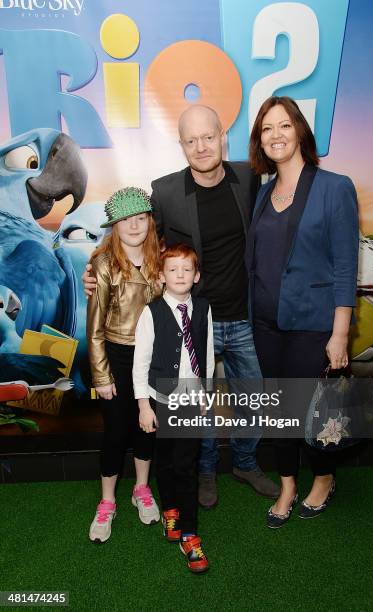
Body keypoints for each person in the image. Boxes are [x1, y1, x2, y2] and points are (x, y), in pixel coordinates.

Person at [83, 104, 280, 508]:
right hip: (195, 319)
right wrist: (98, 270)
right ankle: (205, 469)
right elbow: (134, 233)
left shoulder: (248, 177)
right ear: (181, 146)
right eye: (191, 140)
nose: (201, 146)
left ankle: (244, 461)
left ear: (222, 136)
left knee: (254, 395)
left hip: (240, 315)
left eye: (208, 137)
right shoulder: (167, 191)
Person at [245, 96, 359, 527]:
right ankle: (288, 484)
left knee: (315, 409)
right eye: (267, 128)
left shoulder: (335, 187)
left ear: (300, 132)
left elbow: (346, 264)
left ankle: (324, 478)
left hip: (313, 326)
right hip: (266, 324)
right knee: (278, 410)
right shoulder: (261, 194)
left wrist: (340, 334)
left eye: (284, 126)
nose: (276, 135)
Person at [87, 187, 162, 543]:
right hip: (116, 358)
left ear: (150, 221)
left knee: (147, 428)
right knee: (116, 432)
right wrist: (102, 376)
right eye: (126, 220)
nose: (134, 226)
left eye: (141, 218)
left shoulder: (159, 261)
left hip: (150, 361)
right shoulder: (103, 266)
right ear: (114, 226)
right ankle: (107, 502)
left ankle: (142, 490)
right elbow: (94, 329)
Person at [133, 244, 214, 573]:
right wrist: (143, 405)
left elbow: (207, 354)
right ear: (161, 276)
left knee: (186, 466)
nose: (179, 275)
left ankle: (191, 536)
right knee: (165, 461)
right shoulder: (151, 312)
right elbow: (141, 362)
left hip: (191, 400)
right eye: (172, 270)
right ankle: (170, 512)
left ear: (196, 276)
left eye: (186, 270)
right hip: (159, 400)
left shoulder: (204, 309)